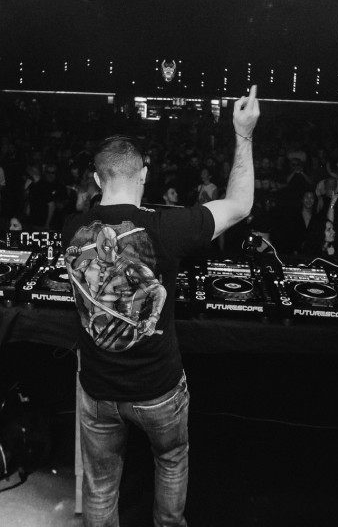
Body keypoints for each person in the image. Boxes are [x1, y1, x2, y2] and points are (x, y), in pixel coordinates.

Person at [61, 85, 260, 527]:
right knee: (170, 462)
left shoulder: (71, 229)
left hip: (98, 389)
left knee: (100, 485)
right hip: (157, 390)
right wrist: (243, 134)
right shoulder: (168, 228)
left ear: (97, 180)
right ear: (145, 175)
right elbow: (240, 204)